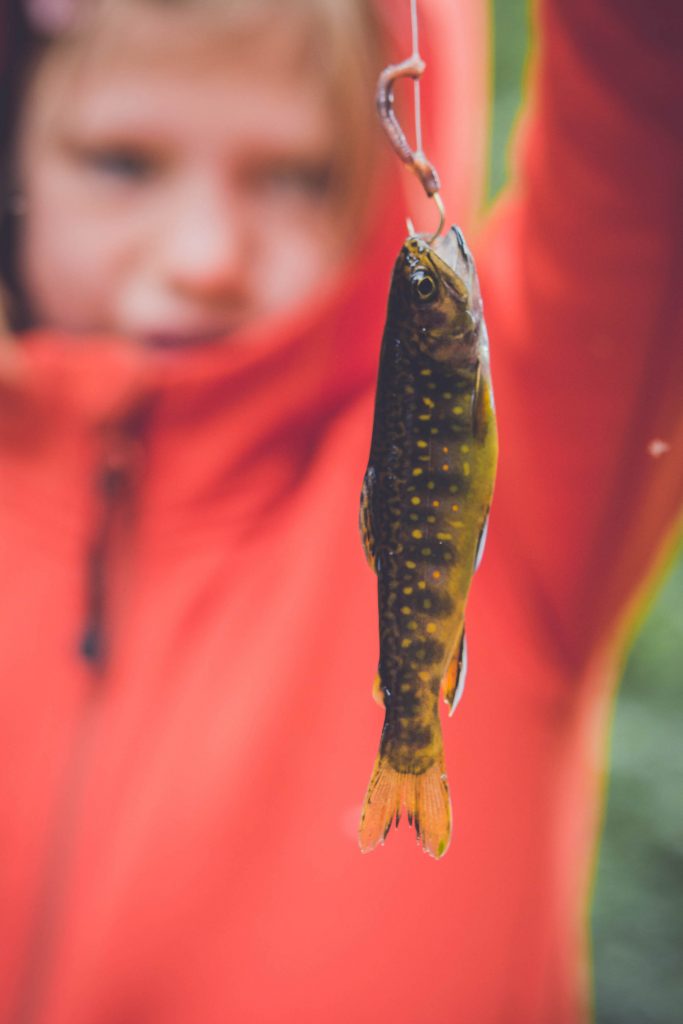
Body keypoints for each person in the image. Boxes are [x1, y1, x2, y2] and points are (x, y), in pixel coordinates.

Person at [0, 1, 681, 1022]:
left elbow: (648, 103)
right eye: (122, 162)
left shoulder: (543, 458)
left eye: (295, 176)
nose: (204, 257)